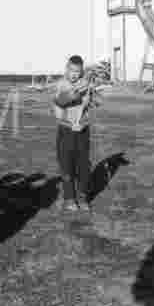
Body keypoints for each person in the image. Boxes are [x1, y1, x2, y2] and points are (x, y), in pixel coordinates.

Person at [53, 55, 101, 212]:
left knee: (83, 166)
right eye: (72, 70)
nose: (74, 74)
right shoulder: (61, 84)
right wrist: (74, 94)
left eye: (78, 72)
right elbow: (59, 101)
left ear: (81, 72)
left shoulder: (85, 83)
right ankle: (69, 198)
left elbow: (97, 102)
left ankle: (82, 197)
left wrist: (92, 93)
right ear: (66, 69)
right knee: (66, 165)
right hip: (66, 130)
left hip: (82, 130)